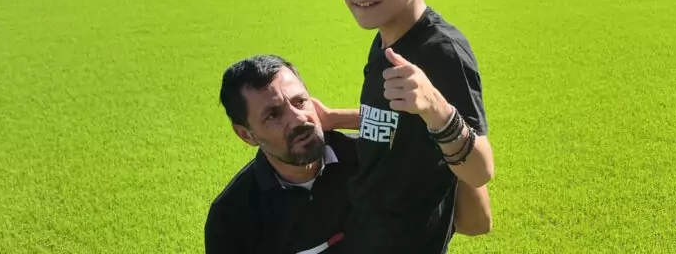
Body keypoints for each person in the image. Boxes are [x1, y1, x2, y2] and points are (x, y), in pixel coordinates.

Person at [332, 0, 495, 254]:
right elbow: (397, 122)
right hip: (364, 233)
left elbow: (480, 169)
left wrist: (437, 109)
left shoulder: (441, 51)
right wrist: (334, 117)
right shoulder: (386, 37)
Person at [204, 54, 491, 254]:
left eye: (300, 101)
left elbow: (477, 222)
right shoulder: (232, 216)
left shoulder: (374, 160)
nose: (298, 119)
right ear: (246, 135)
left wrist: (438, 129)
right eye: (273, 115)